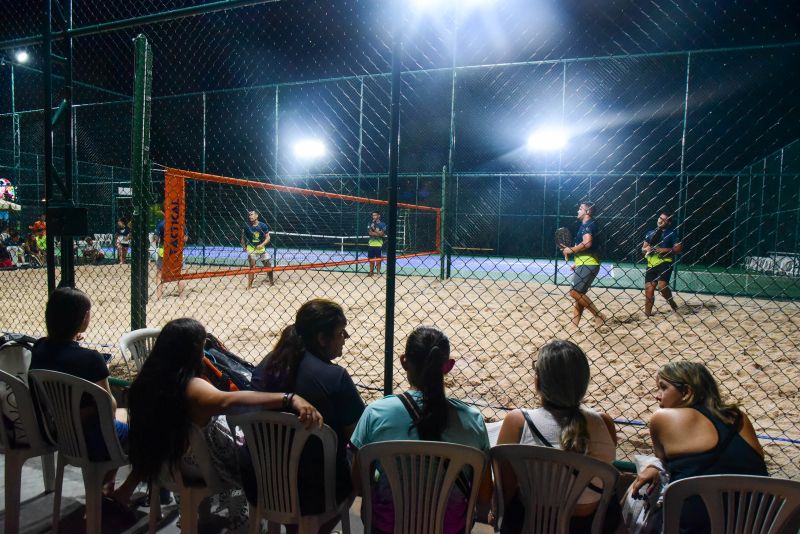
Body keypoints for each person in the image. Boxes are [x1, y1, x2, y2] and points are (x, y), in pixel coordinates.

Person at [128, 318, 322, 524]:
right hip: (203, 467)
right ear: (193, 348)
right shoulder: (192, 388)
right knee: (262, 451)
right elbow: (230, 400)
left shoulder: (147, 382)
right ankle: (250, 517)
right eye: (203, 344)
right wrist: (288, 398)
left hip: (167, 466)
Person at [350, 326, 492, 534]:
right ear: (448, 366)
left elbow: (359, 482)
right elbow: (484, 494)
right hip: (450, 527)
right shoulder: (473, 420)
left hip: (386, 525)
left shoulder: (376, 413)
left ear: (403, 361)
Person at [250, 299, 365, 528]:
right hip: (316, 493)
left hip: (266, 482)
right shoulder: (336, 378)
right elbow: (358, 438)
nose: (346, 338)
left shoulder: (266, 366)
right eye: (341, 333)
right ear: (322, 339)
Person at [29, 287, 140, 505]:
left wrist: (70, 339)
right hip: (93, 440)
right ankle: (125, 491)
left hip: (61, 435)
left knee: (116, 418)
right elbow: (108, 405)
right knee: (145, 432)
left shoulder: (39, 348)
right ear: (81, 320)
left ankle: (106, 486)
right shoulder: (91, 359)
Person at [629, 361, 767, 533]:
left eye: (663, 388)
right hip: (758, 522)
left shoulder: (663, 418)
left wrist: (653, 466)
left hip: (696, 524)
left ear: (686, 392)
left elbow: (663, 461)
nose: (657, 396)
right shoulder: (739, 418)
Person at [495, 340, 617, 533]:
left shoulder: (517, 421)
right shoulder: (604, 423)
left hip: (531, 524)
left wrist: (496, 513)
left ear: (538, 381)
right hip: (587, 526)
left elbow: (505, 488)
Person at [560, 202, 606, 327]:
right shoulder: (586, 225)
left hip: (588, 263)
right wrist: (577, 262)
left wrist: (571, 250)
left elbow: (587, 243)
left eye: (580, 209)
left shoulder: (588, 225)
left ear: (588, 212)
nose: (577, 211)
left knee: (574, 292)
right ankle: (574, 324)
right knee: (579, 295)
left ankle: (598, 315)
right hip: (586, 263)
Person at [642, 212, 682, 316]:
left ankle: (672, 303)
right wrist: (646, 249)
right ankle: (647, 315)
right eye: (659, 218)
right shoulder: (650, 233)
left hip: (665, 262)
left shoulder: (672, 234)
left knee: (662, 286)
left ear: (668, 222)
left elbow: (678, 248)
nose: (660, 220)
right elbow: (643, 248)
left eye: (663, 219)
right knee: (649, 289)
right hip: (651, 264)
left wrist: (664, 250)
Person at [153, 215, 187, 299]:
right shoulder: (180, 223)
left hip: (164, 251)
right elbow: (185, 238)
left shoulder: (161, 224)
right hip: (177, 251)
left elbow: (156, 238)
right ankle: (182, 296)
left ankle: (159, 297)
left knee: (160, 274)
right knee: (180, 274)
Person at [240, 210, 274, 289]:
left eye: (251, 214)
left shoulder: (263, 226)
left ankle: (271, 282)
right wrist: (244, 246)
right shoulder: (246, 226)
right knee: (252, 267)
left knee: (268, 265)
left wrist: (262, 244)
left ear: (256, 216)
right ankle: (249, 286)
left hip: (261, 248)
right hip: (251, 248)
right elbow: (242, 238)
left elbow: (268, 237)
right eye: (249, 215)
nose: (250, 216)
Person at [367, 211, 386, 276]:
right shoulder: (370, 223)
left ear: (379, 216)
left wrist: (374, 229)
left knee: (378, 259)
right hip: (371, 244)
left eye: (375, 215)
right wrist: (378, 233)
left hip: (379, 244)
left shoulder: (382, 224)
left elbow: (382, 234)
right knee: (371, 259)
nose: (374, 217)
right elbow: (370, 233)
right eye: (373, 215)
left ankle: (378, 272)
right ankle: (371, 272)